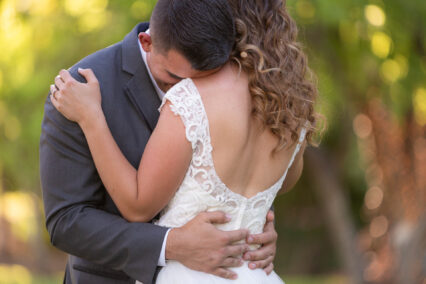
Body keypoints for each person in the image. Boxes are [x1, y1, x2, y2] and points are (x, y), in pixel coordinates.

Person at [39, 1, 279, 284]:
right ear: (147, 42)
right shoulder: (79, 91)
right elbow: (66, 222)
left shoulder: (227, 77)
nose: (185, 92)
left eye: (199, 82)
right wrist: (172, 245)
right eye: (173, 80)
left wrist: (252, 229)